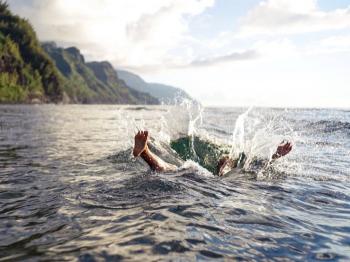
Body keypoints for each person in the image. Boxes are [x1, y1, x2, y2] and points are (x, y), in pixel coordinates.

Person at [133, 130, 292, 176]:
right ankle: (145, 151)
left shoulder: (200, 170)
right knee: (172, 169)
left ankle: (145, 152)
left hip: (205, 180)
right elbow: (260, 166)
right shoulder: (239, 168)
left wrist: (276, 155)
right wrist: (276, 156)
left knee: (171, 170)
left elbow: (259, 165)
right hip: (213, 182)